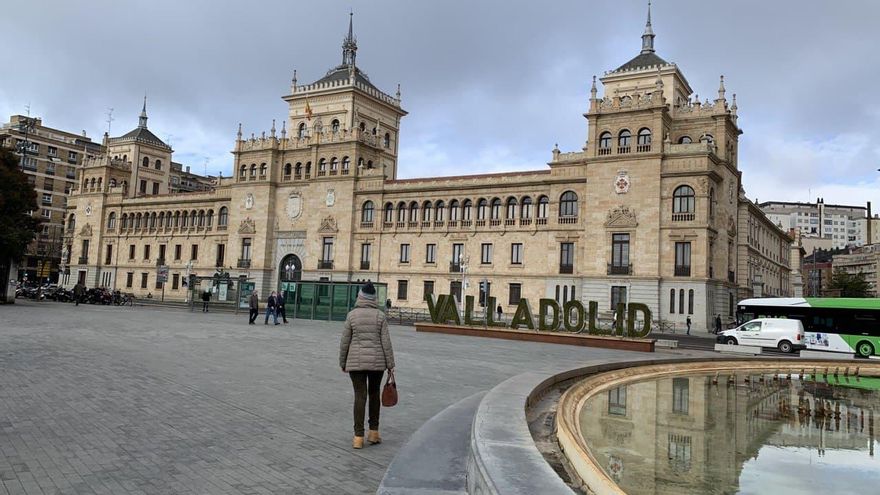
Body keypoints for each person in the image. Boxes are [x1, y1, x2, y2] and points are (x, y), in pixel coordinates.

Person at [340, 282, 395, 449]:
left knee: (359, 396)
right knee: (374, 394)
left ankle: (358, 437)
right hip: (377, 364)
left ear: (360, 296)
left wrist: (342, 362)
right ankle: (374, 433)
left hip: (355, 363)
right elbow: (386, 342)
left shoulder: (352, 315)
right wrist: (390, 364)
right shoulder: (380, 316)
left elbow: (345, 342)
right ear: (374, 299)